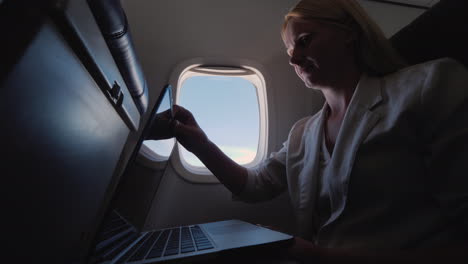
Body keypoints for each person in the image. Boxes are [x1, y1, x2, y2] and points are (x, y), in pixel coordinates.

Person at [151, 0, 468, 262]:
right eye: (290, 51)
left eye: (304, 41)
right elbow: (255, 186)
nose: (294, 58)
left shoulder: (430, 85)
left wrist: (319, 256)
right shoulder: (304, 132)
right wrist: (200, 143)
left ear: (349, 34)